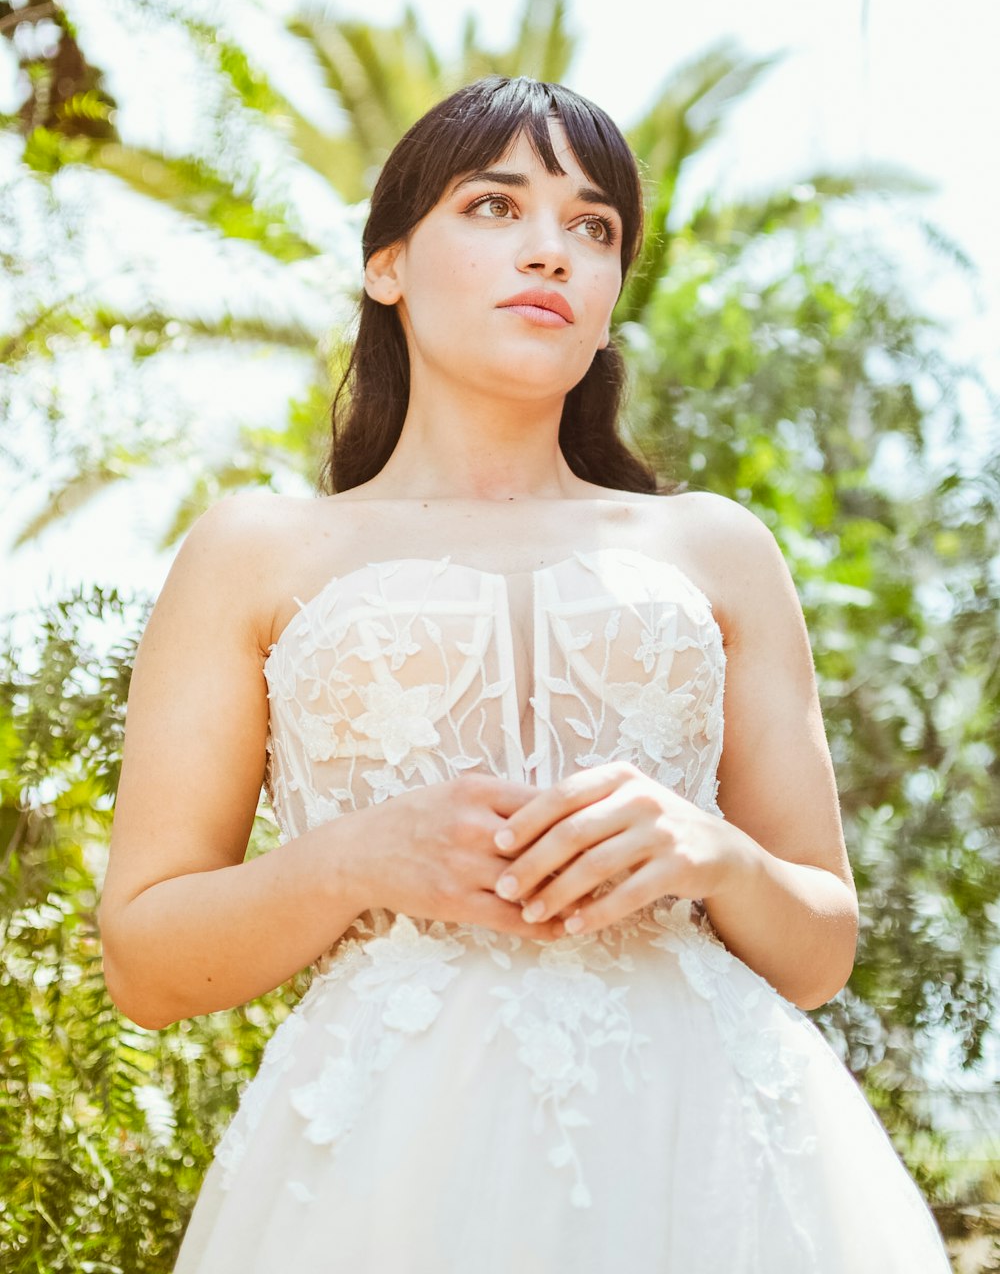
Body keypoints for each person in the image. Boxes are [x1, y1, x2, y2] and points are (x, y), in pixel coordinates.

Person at [99, 76, 952, 1272]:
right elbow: (143, 959)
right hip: (381, 1176)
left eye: (592, 228)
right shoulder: (254, 550)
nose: (550, 250)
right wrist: (352, 860)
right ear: (385, 263)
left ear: (609, 301)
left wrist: (709, 851)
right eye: (494, 207)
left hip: (712, 1166)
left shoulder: (716, 547)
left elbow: (817, 948)